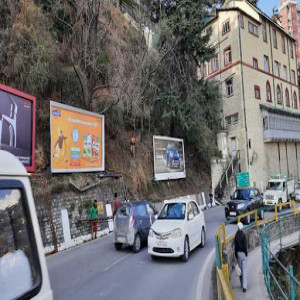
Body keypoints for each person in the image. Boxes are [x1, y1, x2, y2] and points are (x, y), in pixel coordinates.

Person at [234, 222, 248, 293]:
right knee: (244, 270)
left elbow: (235, 247)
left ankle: (241, 284)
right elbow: (245, 246)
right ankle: (244, 287)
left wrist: (236, 255)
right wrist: (246, 253)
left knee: (240, 270)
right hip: (243, 254)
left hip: (238, 254)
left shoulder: (236, 235)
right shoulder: (244, 235)